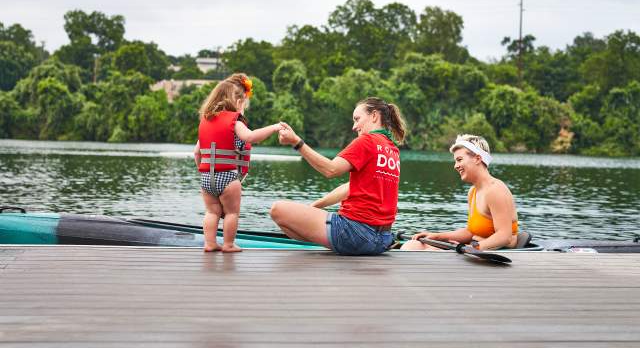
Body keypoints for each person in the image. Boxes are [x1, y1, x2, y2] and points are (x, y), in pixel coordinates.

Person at [270, 97, 407, 255]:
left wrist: (296, 142)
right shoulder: (392, 148)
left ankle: (338, 241)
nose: (354, 127)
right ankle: (334, 238)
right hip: (382, 240)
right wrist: (312, 209)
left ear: (374, 116)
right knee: (295, 220)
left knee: (278, 210)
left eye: (357, 119)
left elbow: (331, 170)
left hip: (356, 235)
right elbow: (350, 188)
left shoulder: (367, 141)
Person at [194, 73, 282, 253]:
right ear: (238, 101)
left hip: (206, 178)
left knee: (212, 212)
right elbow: (250, 136)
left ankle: (210, 243)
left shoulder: (206, 120)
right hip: (227, 178)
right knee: (232, 213)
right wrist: (273, 127)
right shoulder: (234, 121)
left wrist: (202, 171)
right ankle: (228, 244)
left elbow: (197, 152)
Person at [401, 134, 519, 251]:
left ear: (477, 159)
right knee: (412, 245)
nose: (455, 166)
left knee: (425, 251)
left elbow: (505, 236)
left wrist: (472, 247)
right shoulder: (473, 192)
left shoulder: (495, 190)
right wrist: (437, 236)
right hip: (473, 249)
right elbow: (471, 232)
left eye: (459, 160)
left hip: (487, 254)